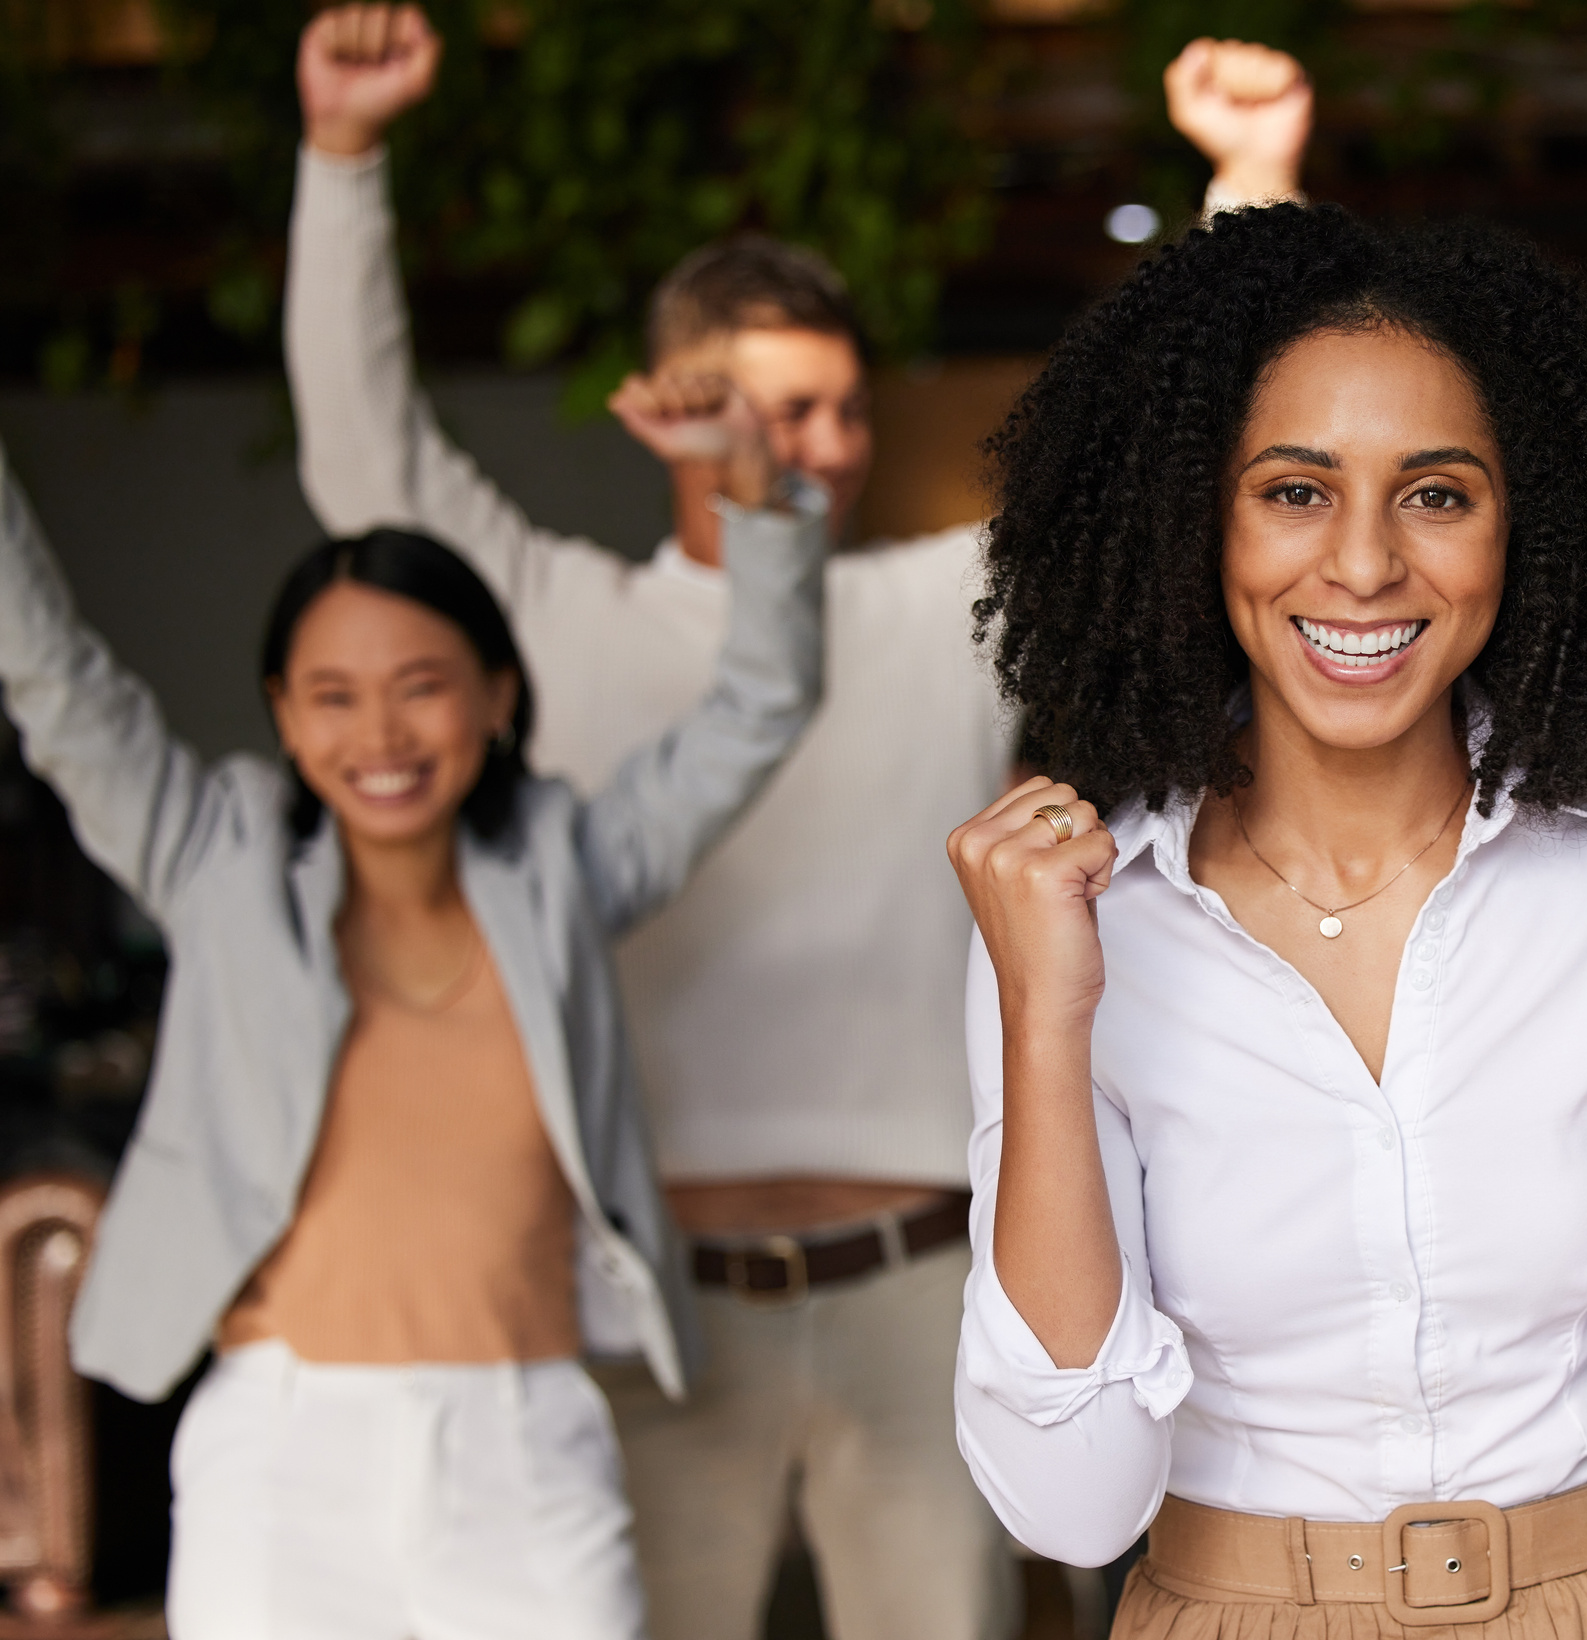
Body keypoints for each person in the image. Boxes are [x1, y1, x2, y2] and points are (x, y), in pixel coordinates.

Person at [283, 11, 1316, 1637]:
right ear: (678, 404)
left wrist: (1248, 176)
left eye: (840, 410)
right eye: (776, 410)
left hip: (920, 1288)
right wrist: (341, 159)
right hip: (655, 1307)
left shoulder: (934, 609)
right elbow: (367, 463)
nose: (819, 450)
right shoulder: (552, 615)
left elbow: (1151, 459)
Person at [947, 200, 1587, 1640]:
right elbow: (1067, 1503)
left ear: (1526, 523)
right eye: (1293, 490)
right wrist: (1046, 1023)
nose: (1364, 566)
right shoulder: (1071, 916)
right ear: (1195, 515)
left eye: (1435, 494)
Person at [0, 376, 821, 1638]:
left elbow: (757, 707)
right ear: (282, 710)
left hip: (526, 1441)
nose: (379, 730)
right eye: (332, 693)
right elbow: (55, 681)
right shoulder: (214, 857)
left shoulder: (566, 865)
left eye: (422, 684)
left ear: (497, 697)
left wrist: (758, 496)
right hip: (279, 1453)